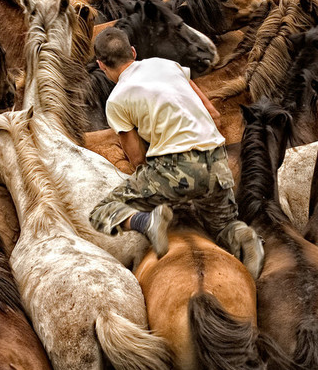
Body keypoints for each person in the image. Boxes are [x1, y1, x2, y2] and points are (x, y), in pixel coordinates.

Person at [88, 28, 263, 275]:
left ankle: (147, 222)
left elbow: (137, 158)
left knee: (102, 212)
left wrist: (150, 183)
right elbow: (212, 112)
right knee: (221, 224)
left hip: (176, 169)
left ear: (101, 65)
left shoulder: (116, 101)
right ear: (134, 52)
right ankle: (240, 233)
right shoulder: (167, 65)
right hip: (216, 161)